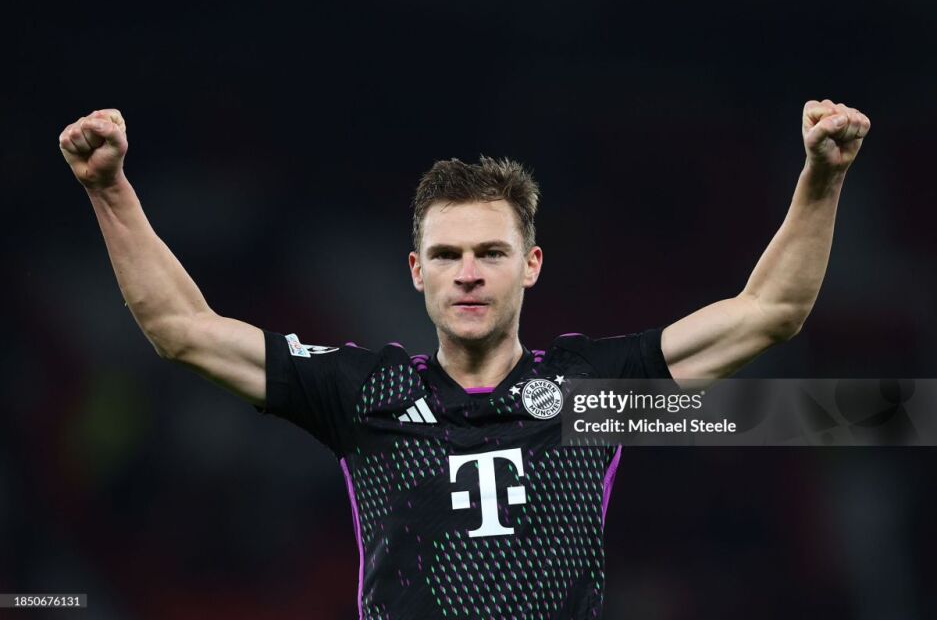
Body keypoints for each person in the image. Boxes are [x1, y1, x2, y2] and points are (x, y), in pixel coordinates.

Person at [59, 99, 870, 619]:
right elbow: (182, 329)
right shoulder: (363, 394)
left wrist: (822, 179)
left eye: (490, 252)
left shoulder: (588, 391)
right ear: (416, 272)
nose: (469, 273)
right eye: (446, 255)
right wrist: (109, 190)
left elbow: (769, 314)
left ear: (531, 265)